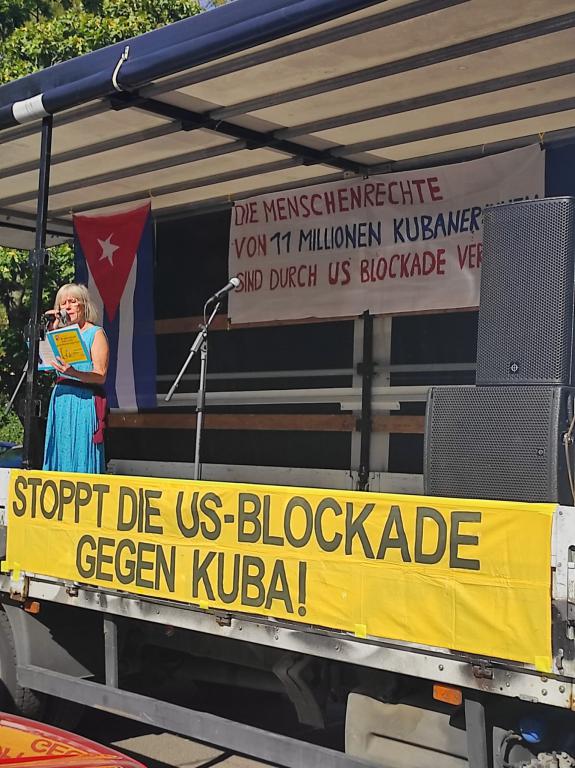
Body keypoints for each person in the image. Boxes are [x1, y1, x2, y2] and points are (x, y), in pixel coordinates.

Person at [43, 283, 109, 473]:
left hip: (83, 399)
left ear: (83, 305)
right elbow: (46, 366)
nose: (67, 307)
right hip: (61, 398)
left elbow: (101, 375)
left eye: (72, 302)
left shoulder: (95, 333)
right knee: (60, 448)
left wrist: (74, 373)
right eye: (63, 303)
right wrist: (51, 330)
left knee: (81, 448)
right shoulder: (58, 334)